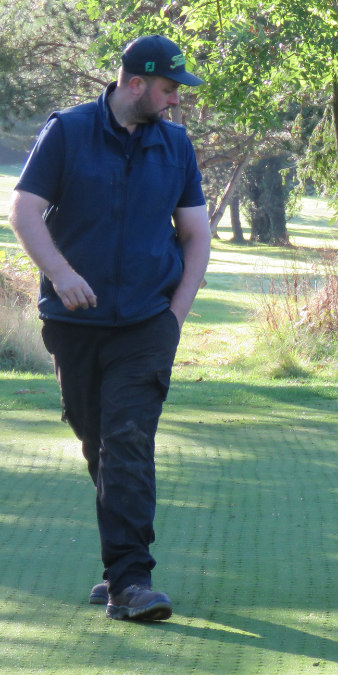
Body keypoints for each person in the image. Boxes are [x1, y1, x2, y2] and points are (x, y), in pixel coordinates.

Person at [7, 35, 209, 621]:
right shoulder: (67, 132)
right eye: (169, 88)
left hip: (148, 321)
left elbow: (195, 236)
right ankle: (116, 570)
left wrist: (177, 315)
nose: (175, 101)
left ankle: (130, 580)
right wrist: (62, 273)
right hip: (73, 322)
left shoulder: (175, 146)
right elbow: (22, 210)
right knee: (96, 436)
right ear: (135, 82)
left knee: (128, 438)